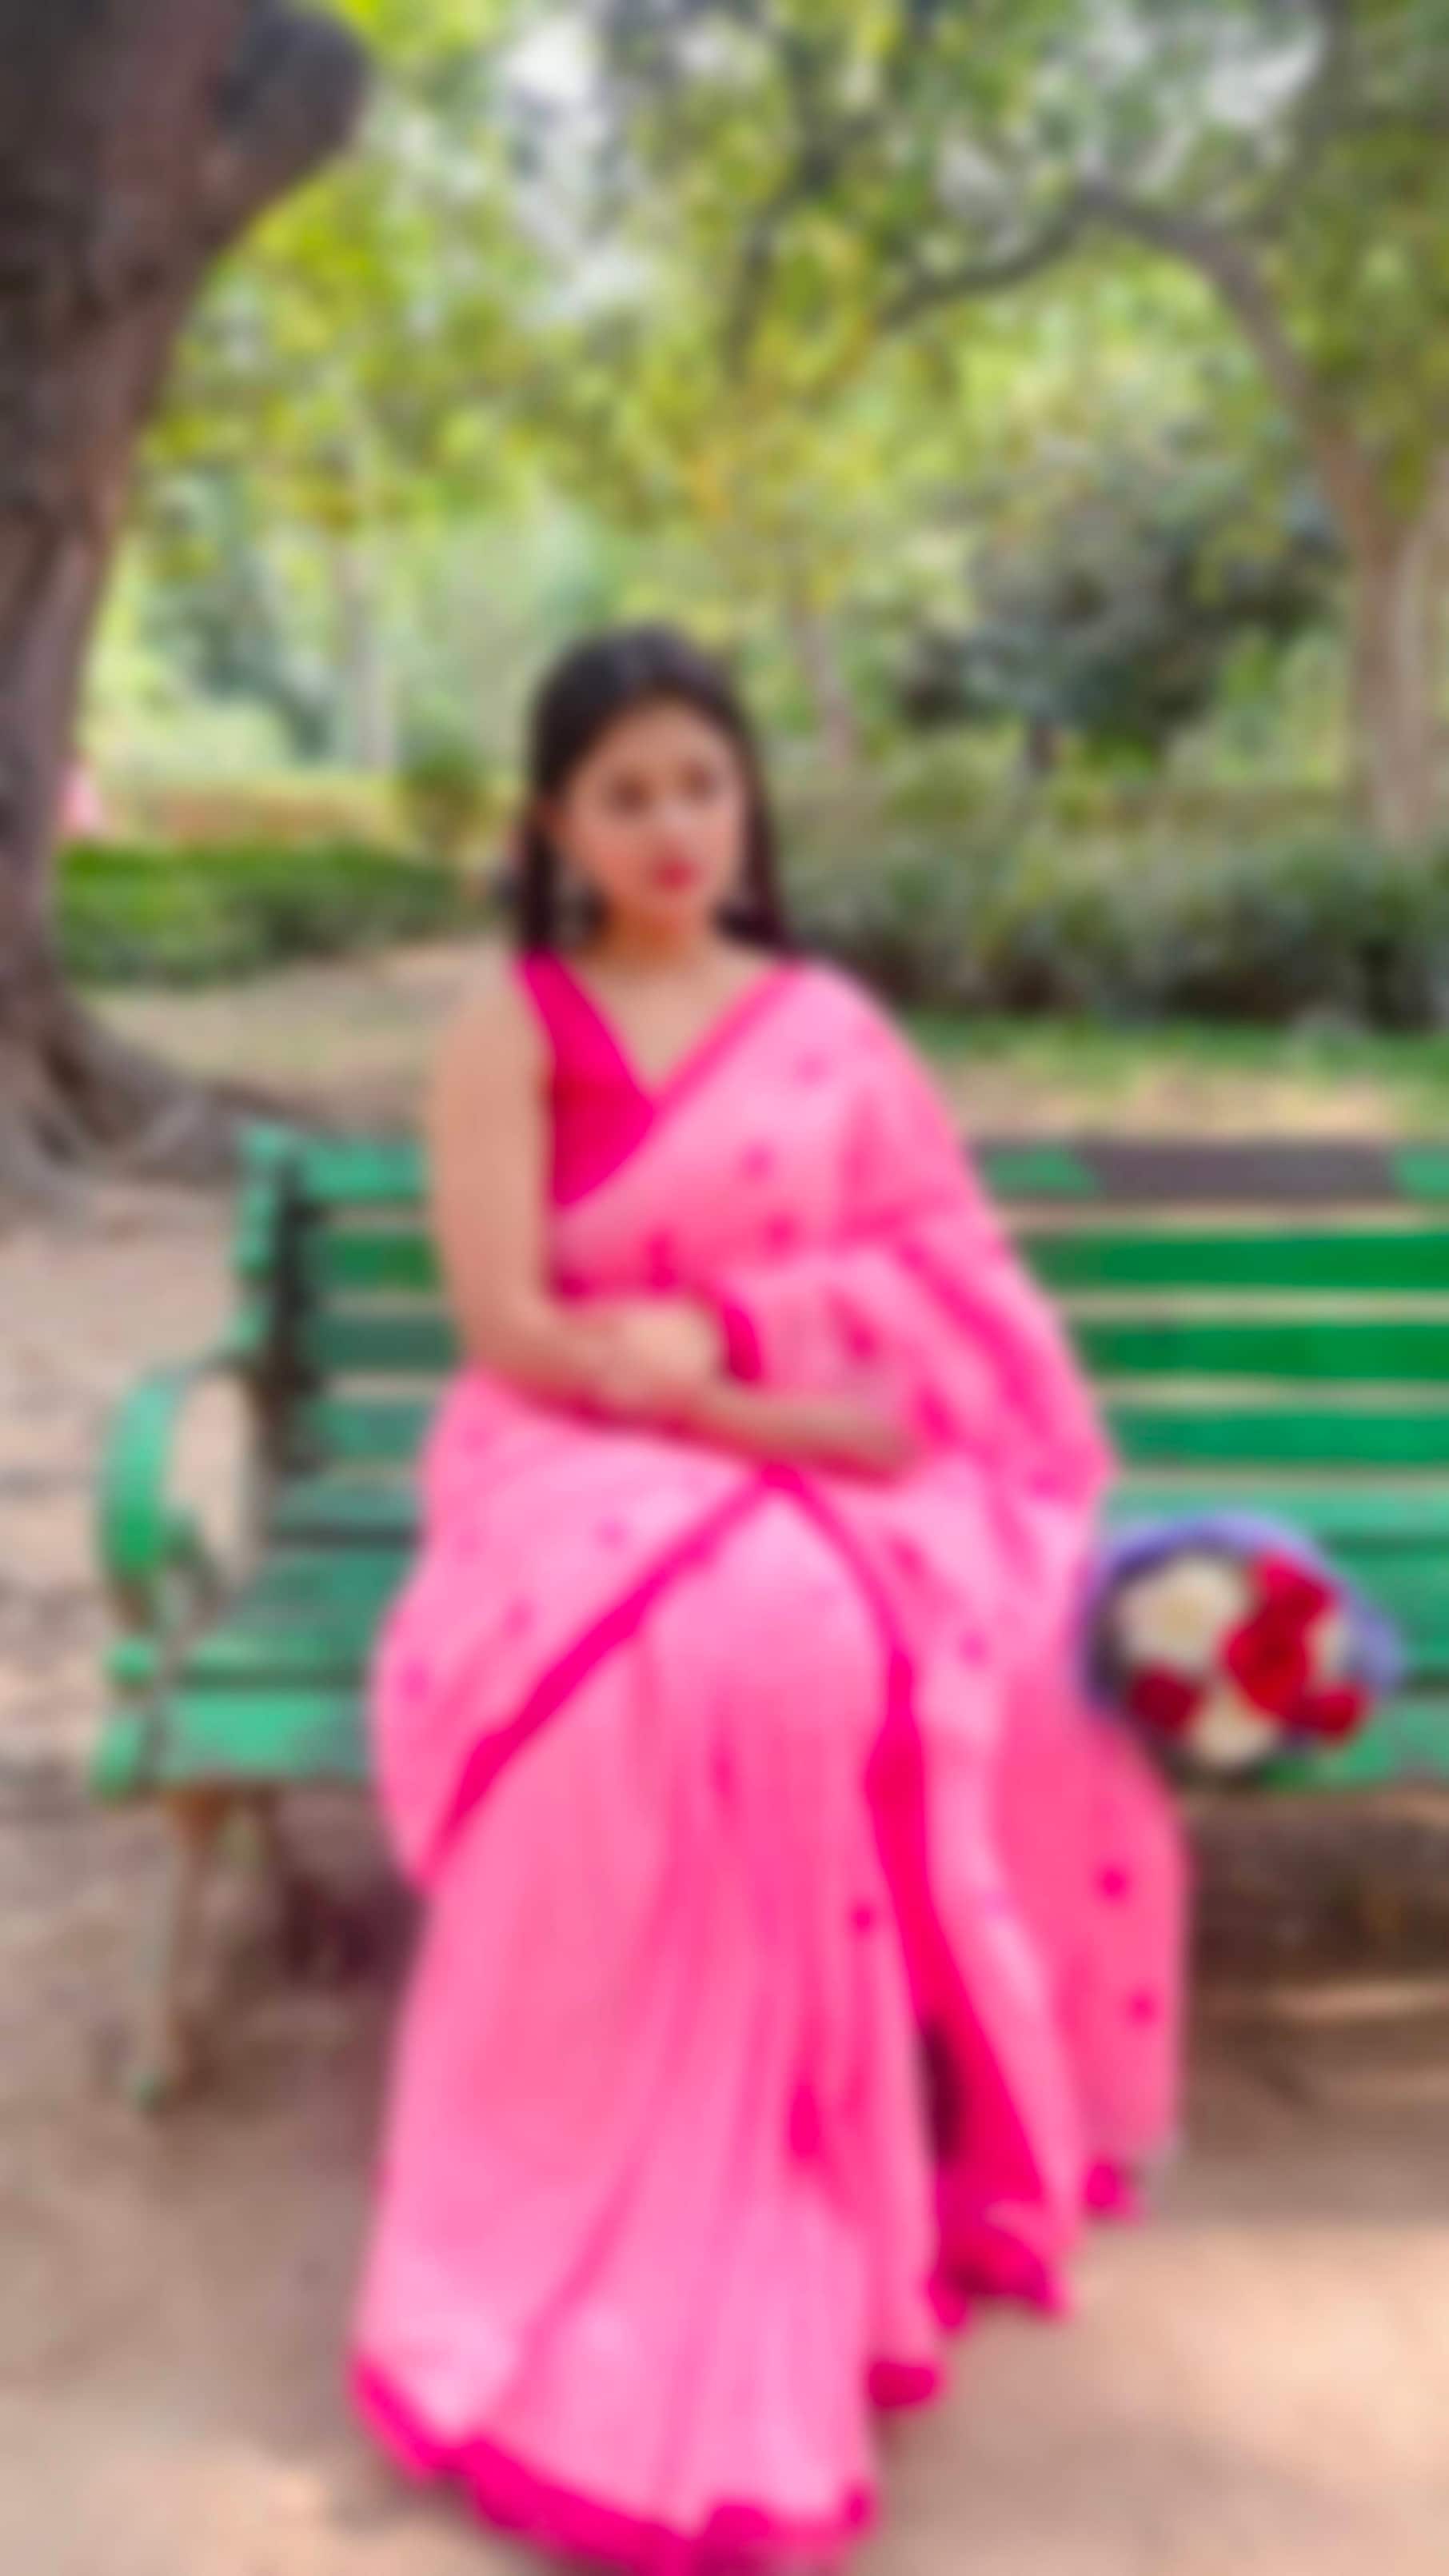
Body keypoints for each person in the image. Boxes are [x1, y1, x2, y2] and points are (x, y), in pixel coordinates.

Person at [349, 625, 1186, 2570]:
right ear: (555, 828)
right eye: (626, 794)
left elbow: (943, 1278)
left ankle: (844, 2164)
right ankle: (650, 2163)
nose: (672, 828)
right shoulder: (513, 1029)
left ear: (748, 804)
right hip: (571, 1447)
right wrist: (741, 1413)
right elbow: (510, 1327)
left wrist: (742, 1356)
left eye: (702, 786)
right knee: (728, 1649)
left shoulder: (828, 1029)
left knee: (862, 1644)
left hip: (790, 1436)